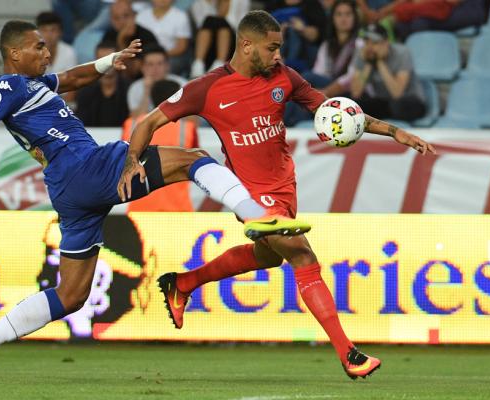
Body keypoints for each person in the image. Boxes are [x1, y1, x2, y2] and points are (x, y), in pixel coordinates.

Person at [0, 20, 310, 384]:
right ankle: (259, 216)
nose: (47, 53)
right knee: (194, 160)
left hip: (69, 191)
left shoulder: (34, 86)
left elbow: (73, 77)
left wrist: (110, 61)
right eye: (38, 47)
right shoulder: (6, 88)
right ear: (14, 54)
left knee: (71, 295)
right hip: (87, 166)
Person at [118, 10, 436, 380]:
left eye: (280, 48)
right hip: (251, 197)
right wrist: (131, 161)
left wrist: (393, 131)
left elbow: (335, 111)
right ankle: (349, 354)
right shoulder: (207, 89)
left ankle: (183, 283)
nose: (278, 56)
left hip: (285, 187)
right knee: (302, 256)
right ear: (246, 44)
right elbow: (149, 122)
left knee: (267, 258)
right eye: (271, 48)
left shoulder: (284, 77)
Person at [122, 79, 198, 211]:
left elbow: (122, 158)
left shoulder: (131, 125)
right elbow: (197, 161)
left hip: (140, 209)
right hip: (178, 211)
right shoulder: (187, 128)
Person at [350, 23, 426, 122]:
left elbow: (397, 93)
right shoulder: (362, 53)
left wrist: (380, 62)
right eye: (367, 42)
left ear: (386, 43)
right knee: (352, 106)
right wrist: (368, 63)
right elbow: (355, 93)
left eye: (374, 42)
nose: (370, 47)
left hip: (410, 100)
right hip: (383, 102)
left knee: (397, 107)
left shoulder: (402, 53)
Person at [75, 40, 130, 127]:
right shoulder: (85, 92)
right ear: (95, 61)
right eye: (102, 59)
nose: (106, 64)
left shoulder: (129, 89)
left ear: (119, 60)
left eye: (110, 59)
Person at [189, 0, 251, 78]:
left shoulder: (241, 1)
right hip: (208, 44)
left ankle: (219, 63)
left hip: (232, 42)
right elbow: (201, 25)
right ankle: (198, 63)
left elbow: (242, 26)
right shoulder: (200, 3)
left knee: (222, 23)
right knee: (210, 20)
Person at [127, 45, 186, 117]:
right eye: (150, 64)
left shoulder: (182, 84)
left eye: (160, 64)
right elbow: (136, 119)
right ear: (142, 68)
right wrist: (147, 90)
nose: (155, 68)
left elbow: (192, 119)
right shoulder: (135, 88)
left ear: (167, 66)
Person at [136, 0, 192, 75]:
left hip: (170, 56)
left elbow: (181, 46)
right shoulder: (140, 16)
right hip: (145, 55)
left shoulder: (181, 16)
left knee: (163, 66)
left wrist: (160, 56)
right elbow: (136, 40)